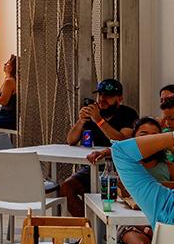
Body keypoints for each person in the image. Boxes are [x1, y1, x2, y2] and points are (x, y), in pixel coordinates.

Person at [58, 78, 139, 217]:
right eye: (100, 95)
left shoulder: (128, 114)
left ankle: (98, 227)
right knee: (66, 187)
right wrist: (81, 121)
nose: (102, 99)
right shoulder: (93, 113)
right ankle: (89, 229)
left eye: (108, 96)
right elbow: (71, 140)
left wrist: (99, 121)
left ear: (119, 99)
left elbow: (121, 140)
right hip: (92, 167)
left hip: (118, 169)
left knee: (109, 198)